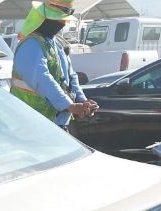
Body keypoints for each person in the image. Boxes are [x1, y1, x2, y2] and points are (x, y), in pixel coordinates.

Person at [10, 0, 99, 130]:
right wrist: (69, 105)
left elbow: (71, 76)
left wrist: (82, 101)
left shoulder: (57, 43)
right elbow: (42, 78)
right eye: (59, 19)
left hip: (56, 122)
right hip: (33, 121)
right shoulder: (31, 45)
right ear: (45, 18)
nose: (63, 23)